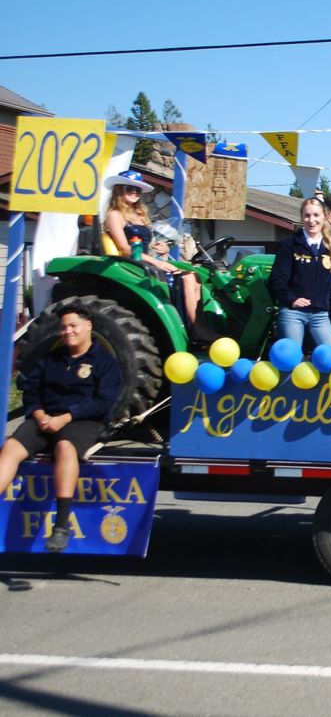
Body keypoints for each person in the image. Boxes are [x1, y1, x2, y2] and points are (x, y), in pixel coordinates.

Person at [0, 304, 123, 552]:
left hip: (83, 422)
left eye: (73, 326)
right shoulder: (50, 360)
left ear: (88, 326)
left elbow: (103, 403)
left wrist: (66, 418)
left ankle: (62, 525)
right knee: (11, 448)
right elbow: (31, 391)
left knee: (65, 448)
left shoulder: (105, 363)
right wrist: (39, 414)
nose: (67, 331)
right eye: (64, 327)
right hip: (45, 418)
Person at [103, 171, 214, 342]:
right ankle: (197, 330)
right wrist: (157, 262)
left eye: (137, 190)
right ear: (119, 190)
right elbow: (125, 249)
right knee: (186, 279)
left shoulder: (139, 215)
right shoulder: (114, 215)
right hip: (131, 262)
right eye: (129, 188)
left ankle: (199, 325)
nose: (134, 192)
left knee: (195, 275)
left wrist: (162, 252)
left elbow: (146, 246)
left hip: (145, 259)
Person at [268, 198, 331, 348]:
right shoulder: (289, 245)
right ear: (301, 217)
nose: (312, 220)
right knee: (291, 359)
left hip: (321, 315)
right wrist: (291, 299)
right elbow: (276, 280)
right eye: (307, 215)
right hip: (293, 313)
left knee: (330, 357)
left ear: (324, 216)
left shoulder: (330, 249)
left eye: (316, 215)